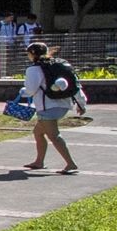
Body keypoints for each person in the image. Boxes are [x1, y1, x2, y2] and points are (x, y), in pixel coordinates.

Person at [19, 42, 81, 173]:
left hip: (47, 107)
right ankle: (39, 161)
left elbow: (30, 90)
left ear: (32, 54)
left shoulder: (33, 69)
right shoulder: (57, 65)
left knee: (54, 136)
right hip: (63, 105)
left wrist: (23, 91)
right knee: (38, 132)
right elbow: (75, 85)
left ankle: (71, 164)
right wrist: (81, 104)